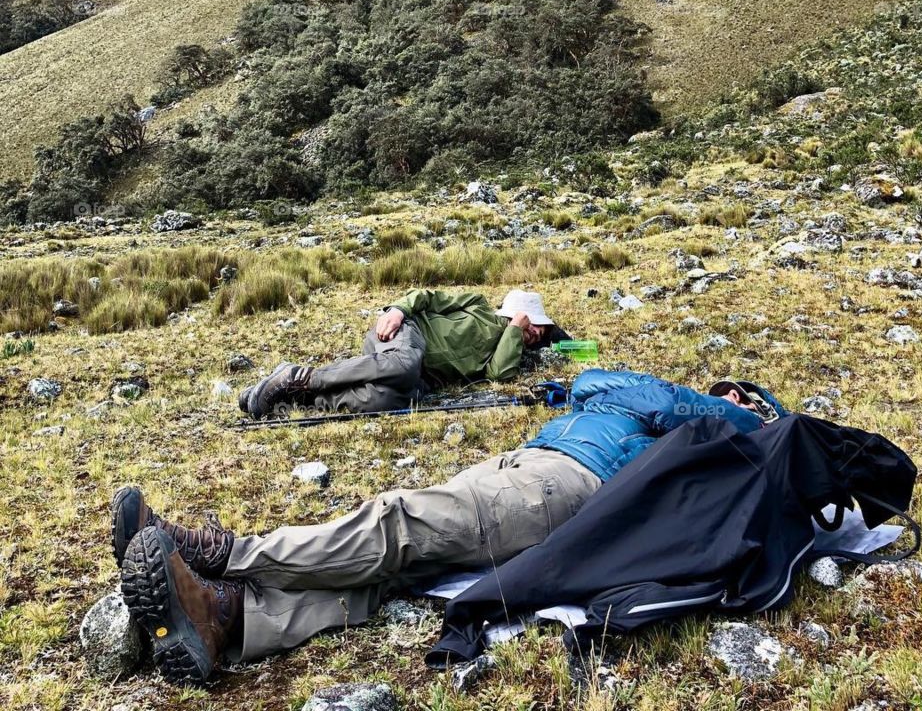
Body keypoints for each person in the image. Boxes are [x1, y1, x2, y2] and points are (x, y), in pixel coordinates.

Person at [113, 369, 786, 684]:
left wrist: (738, 409)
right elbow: (587, 381)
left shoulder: (720, 427)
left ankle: (220, 555)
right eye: (725, 387)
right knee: (399, 574)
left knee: (399, 521)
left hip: (565, 483)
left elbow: (636, 393)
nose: (729, 394)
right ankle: (229, 621)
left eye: (742, 394)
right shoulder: (673, 409)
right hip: (531, 472)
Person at [239, 287, 561, 420]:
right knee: (405, 365)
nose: (535, 335)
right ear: (519, 311)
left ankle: (293, 398)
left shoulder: (509, 347)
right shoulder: (477, 305)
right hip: (406, 336)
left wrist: (516, 331)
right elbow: (428, 297)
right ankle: (302, 377)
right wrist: (397, 309)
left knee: (388, 401)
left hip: (419, 377)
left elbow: (498, 375)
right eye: (535, 326)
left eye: (540, 335)